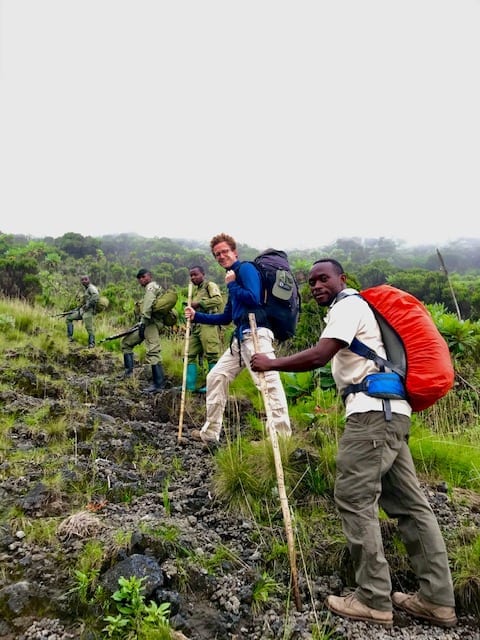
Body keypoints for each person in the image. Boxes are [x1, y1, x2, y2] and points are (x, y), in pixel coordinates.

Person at [251, 258, 457, 629]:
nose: (316, 285)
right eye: (311, 281)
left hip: (370, 418)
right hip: (393, 415)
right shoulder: (362, 309)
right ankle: (436, 600)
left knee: (354, 497)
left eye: (323, 278)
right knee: (410, 506)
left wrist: (270, 362)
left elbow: (320, 355)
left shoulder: (347, 305)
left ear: (342, 279)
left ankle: (373, 599)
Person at [184, 233, 291, 445]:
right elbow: (226, 317)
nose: (221, 256)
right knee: (215, 377)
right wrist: (197, 316)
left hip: (255, 333)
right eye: (217, 254)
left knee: (268, 385)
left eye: (225, 251)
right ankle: (210, 433)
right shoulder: (233, 277)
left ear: (235, 252)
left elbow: (254, 297)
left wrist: (232, 285)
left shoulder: (245, 269)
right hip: (240, 339)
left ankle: (281, 439)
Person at [121, 268, 167, 393]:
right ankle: (129, 373)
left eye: (143, 277)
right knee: (126, 343)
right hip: (146, 323)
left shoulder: (151, 287)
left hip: (150, 323)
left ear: (149, 276)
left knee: (153, 351)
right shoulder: (153, 287)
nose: (141, 279)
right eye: (139, 278)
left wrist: (144, 320)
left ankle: (159, 384)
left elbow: (148, 305)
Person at [185, 265, 223, 393]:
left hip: (209, 323)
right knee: (189, 353)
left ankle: (212, 387)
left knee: (212, 354)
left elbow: (218, 300)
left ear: (203, 274)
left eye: (195, 274)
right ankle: (189, 386)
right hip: (196, 325)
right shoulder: (195, 291)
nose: (193, 277)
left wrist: (199, 304)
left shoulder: (209, 285)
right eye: (191, 275)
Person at [65, 275, 99, 348]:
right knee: (69, 318)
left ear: (89, 280)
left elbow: (96, 296)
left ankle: (92, 343)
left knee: (89, 327)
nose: (84, 281)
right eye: (82, 280)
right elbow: (83, 303)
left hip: (89, 311)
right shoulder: (86, 289)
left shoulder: (91, 288)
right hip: (82, 311)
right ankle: (69, 338)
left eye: (85, 279)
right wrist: (75, 310)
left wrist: (88, 305)